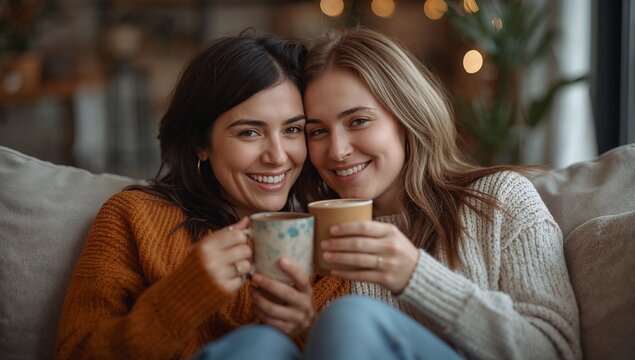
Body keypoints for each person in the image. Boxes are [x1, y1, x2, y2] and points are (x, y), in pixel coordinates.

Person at [55, 32, 349, 359]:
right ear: (200, 143)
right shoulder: (134, 218)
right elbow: (76, 352)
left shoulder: (325, 242)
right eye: (250, 132)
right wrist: (185, 294)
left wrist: (305, 329)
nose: (278, 156)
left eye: (292, 130)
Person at [297, 28, 582, 359]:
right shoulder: (305, 236)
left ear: (406, 117)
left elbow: (558, 351)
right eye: (317, 131)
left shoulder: (499, 200)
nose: (337, 150)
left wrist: (417, 277)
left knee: (349, 318)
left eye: (358, 121)